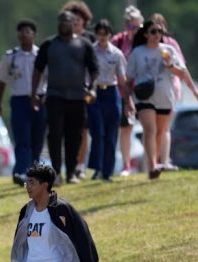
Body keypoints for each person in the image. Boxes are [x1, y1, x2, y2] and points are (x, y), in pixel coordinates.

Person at [125, 20, 198, 180]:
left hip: (165, 97)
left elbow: (182, 73)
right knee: (150, 130)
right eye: (153, 31)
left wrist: (170, 66)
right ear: (145, 34)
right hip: (144, 97)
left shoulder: (169, 50)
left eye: (159, 32)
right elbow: (128, 79)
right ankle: (152, 166)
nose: (157, 35)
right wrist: (127, 100)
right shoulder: (137, 53)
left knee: (160, 132)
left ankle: (157, 162)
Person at [32, 11, 99, 185]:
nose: (64, 24)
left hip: (78, 97)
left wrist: (91, 88)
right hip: (55, 95)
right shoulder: (49, 44)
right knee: (55, 135)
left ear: (73, 23)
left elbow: (94, 69)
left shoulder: (84, 44)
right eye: (61, 21)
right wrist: (34, 93)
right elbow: (38, 69)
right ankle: (56, 172)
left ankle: (71, 172)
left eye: (67, 21)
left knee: (74, 136)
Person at [0, 19, 47, 187]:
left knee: (37, 138)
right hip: (19, 100)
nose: (24, 35)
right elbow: (2, 79)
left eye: (27, 31)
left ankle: (34, 171)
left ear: (34, 35)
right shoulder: (11, 56)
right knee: (22, 138)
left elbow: (48, 79)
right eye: (21, 32)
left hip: (39, 99)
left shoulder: (41, 55)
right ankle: (20, 171)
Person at [149, 13, 198, 171]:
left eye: (161, 26)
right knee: (152, 129)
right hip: (150, 94)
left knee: (164, 127)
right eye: (154, 27)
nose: (158, 31)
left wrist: (193, 90)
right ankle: (154, 161)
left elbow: (183, 70)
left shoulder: (171, 45)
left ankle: (164, 160)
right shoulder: (144, 46)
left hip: (170, 90)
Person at [87, 19, 128, 182]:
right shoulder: (90, 51)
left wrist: (128, 100)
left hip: (111, 93)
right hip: (95, 93)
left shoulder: (117, 54)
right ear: (96, 34)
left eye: (106, 34)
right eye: (99, 33)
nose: (103, 37)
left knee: (111, 134)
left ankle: (107, 171)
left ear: (110, 35)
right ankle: (97, 168)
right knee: (98, 132)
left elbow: (122, 79)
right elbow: (85, 73)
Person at [62, 1, 96, 180]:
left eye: (78, 19)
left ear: (84, 21)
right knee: (66, 130)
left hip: (85, 90)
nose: (75, 22)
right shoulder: (61, 39)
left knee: (83, 130)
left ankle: (80, 165)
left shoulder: (91, 40)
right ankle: (69, 164)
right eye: (71, 19)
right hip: (64, 91)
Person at [111, 5, 144, 176]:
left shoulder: (147, 41)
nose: (135, 30)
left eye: (138, 27)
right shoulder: (118, 41)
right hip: (123, 91)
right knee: (126, 128)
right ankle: (126, 165)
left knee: (149, 126)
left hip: (144, 90)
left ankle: (153, 162)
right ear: (126, 26)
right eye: (131, 27)